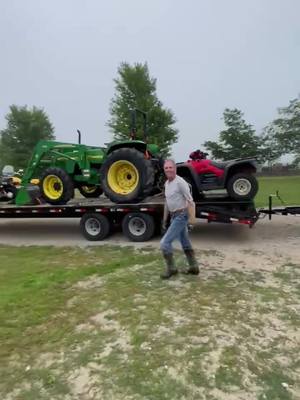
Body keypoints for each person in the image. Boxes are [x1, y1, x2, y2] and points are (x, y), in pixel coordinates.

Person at [160, 159, 199, 279]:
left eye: (170, 167)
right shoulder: (167, 184)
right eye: (166, 168)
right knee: (185, 242)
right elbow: (167, 202)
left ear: (175, 168)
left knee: (164, 243)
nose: (168, 170)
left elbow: (191, 202)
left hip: (181, 216)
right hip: (173, 216)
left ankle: (172, 269)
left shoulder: (180, 182)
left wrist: (192, 220)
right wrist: (164, 219)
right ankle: (194, 267)